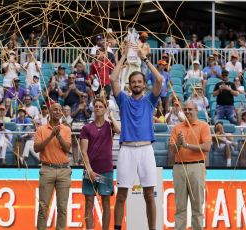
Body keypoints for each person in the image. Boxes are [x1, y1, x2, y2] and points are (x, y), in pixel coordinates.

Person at [110, 42, 163, 230]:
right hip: (127, 150)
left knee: (149, 195)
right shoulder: (123, 99)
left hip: (146, 149)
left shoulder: (150, 100)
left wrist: (145, 59)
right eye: (133, 82)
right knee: (121, 194)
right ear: (130, 85)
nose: (137, 84)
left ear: (143, 84)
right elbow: (113, 79)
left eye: (140, 81)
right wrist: (124, 56)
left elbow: (159, 80)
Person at [168, 101, 211, 229]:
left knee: (197, 207)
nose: (187, 111)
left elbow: (207, 147)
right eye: (185, 109)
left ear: (196, 110)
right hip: (179, 167)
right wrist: (180, 144)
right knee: (180, 207)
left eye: (190, 109)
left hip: (197, 166)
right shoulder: (177, 128)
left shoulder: (203, 126)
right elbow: (173, 150)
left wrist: (187, 145)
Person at [80, 98, 121, 230]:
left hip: (106, 170)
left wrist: (112, 117)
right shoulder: (86, 128)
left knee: (106, 202)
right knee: (89, 202)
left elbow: (120, 130)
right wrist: (90, 170)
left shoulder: (110, 126)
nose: (97, 108)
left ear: (105, 109)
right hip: (89, 171)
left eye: (100, 106)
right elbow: (83, 151)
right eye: (96, 106)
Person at [34, 103, 72, 230]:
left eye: (60, 110)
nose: (58, 111)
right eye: (55, 109)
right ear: (50, 112)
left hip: (63, 170)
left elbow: (67, 148)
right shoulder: (41, 129)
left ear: (62, 113)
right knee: (43, 206)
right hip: (47, 169)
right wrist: (51, 136)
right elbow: (36, 148)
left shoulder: (66, 129)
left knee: (62, 207)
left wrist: (58, 135)